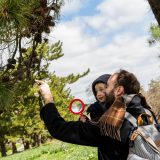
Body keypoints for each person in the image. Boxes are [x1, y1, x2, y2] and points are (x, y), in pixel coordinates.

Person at [36, 69, 155, 160]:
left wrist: (47, 98)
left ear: (118, 90)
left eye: (106, 86)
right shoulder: (147, 112)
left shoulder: (110, 124)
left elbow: (58, 128)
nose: (101, 93)